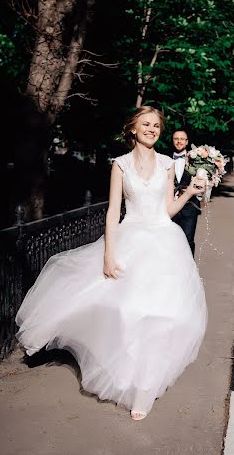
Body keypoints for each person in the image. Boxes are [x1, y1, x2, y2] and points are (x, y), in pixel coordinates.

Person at [15, 107, 207, 421]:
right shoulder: (120, 165)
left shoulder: (168, 163)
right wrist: (108, 252)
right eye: (145, 124)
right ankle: (125, 376)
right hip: (130, 240)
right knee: (128, 312)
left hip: (164, 244)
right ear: (132, 129)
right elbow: (112, 211)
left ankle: (143, 390)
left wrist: (187, 192)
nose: (151, 129)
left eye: (156, 125)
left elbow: (167, 210)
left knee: (161, 314)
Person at [171, 130, 201, 255]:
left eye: (182, 139)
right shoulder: (164, 159)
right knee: (170, 241)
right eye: (176, 138)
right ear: (173, 141)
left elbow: (203, 181)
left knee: (188, 241)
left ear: (187, 141)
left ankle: (189, 272)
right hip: (169, 207)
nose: (179, 141)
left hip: (189, 207)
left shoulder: (197, 159)